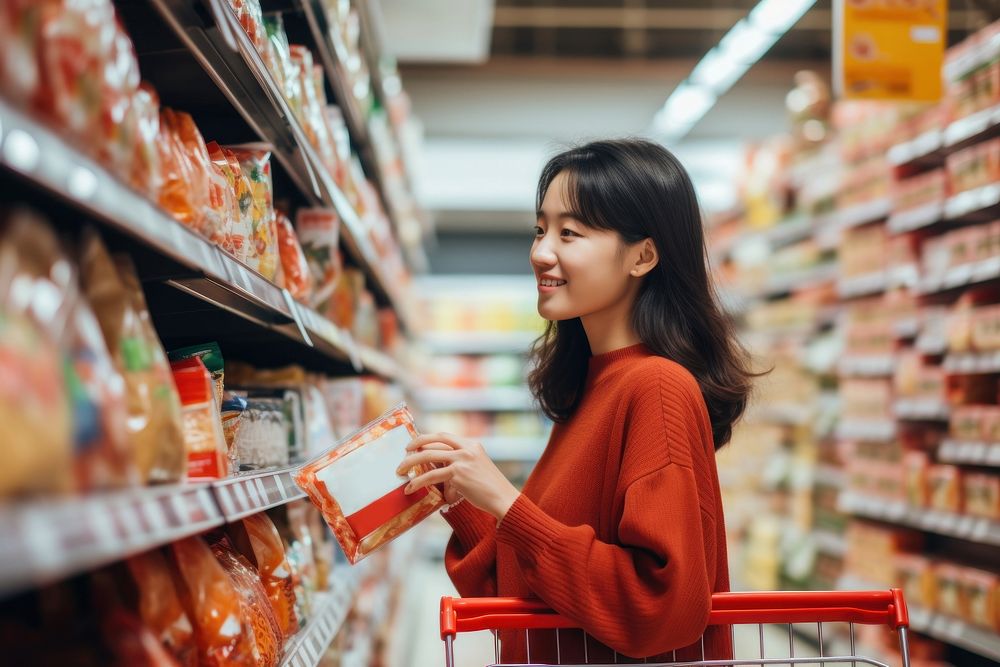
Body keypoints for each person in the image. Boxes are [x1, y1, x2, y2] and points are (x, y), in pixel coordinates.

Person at [398, 138, 756, 663]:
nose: (541, 252)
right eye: (541, 230)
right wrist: (461, 498)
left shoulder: (656, 388)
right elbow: (526, 593)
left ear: (643, 256)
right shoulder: (594, 388)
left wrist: (507, 501)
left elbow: (662, 608)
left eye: (571, 233)